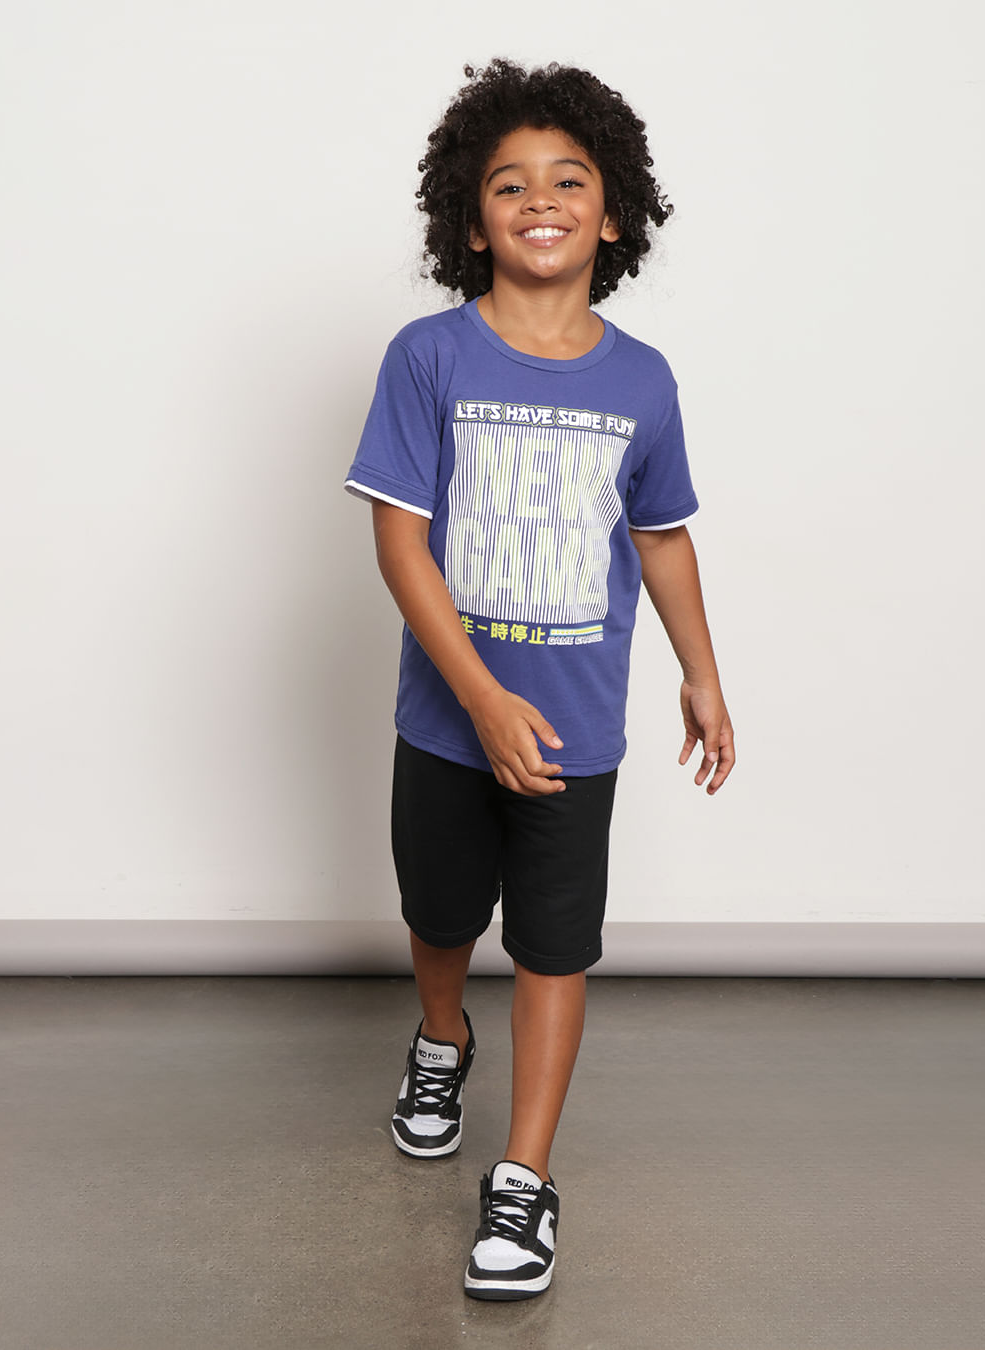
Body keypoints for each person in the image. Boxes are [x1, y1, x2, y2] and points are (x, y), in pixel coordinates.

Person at [343, 58, 735, 1301]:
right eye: (509, 185)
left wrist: (702, 674)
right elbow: (400, 542)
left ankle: (523, 1178)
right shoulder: (429, 357)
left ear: (613, 216)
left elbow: (661, 537)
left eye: (570, 181)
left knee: (557, 945)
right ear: (472, 221)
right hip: (446, 722)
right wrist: (478, 695)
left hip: (577, 733)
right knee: (441, 913)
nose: (541, 201)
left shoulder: (643, 380)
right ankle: (441, 1037)